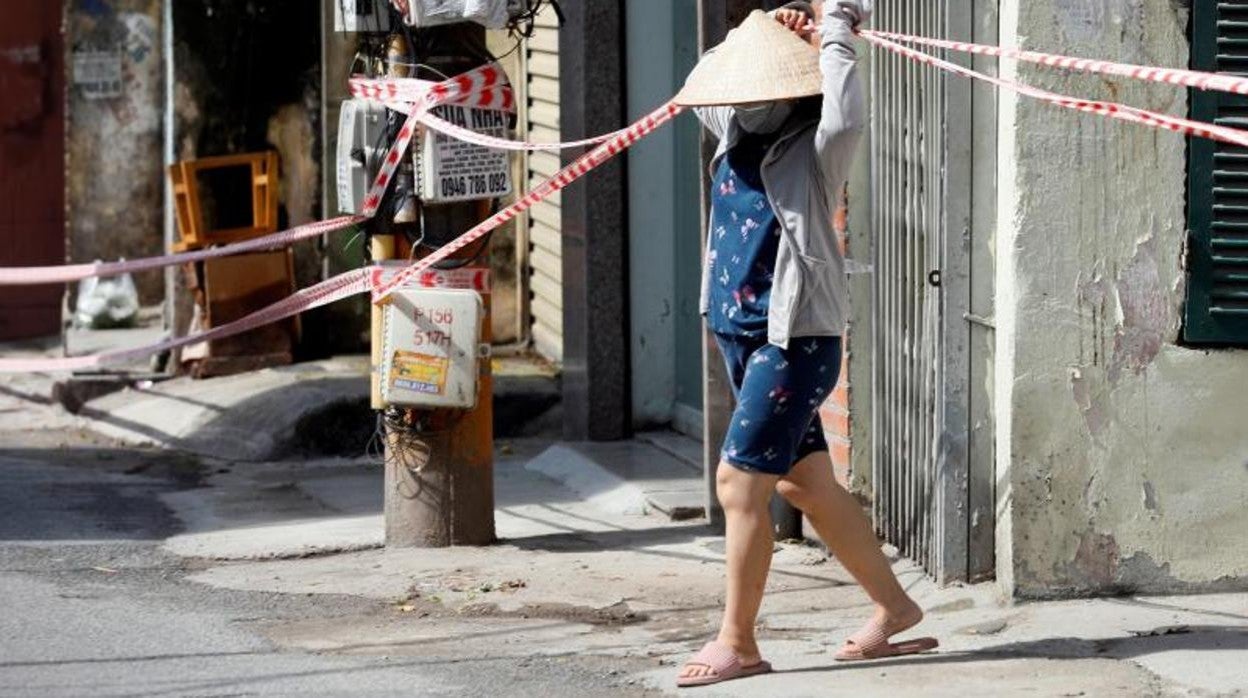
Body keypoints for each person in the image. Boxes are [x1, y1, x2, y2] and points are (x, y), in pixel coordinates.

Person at [671, 1, 938, 687]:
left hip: (792, 342)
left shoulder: (816, 148)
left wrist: (833, 33)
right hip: (738, 335)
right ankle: (896, 607)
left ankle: (738, 642)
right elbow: (704, 81)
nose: (748, 96)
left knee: (738, 485)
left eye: (761, 83)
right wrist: (760, 29)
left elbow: (847, 117)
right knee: (806, 482)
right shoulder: (732, 131)